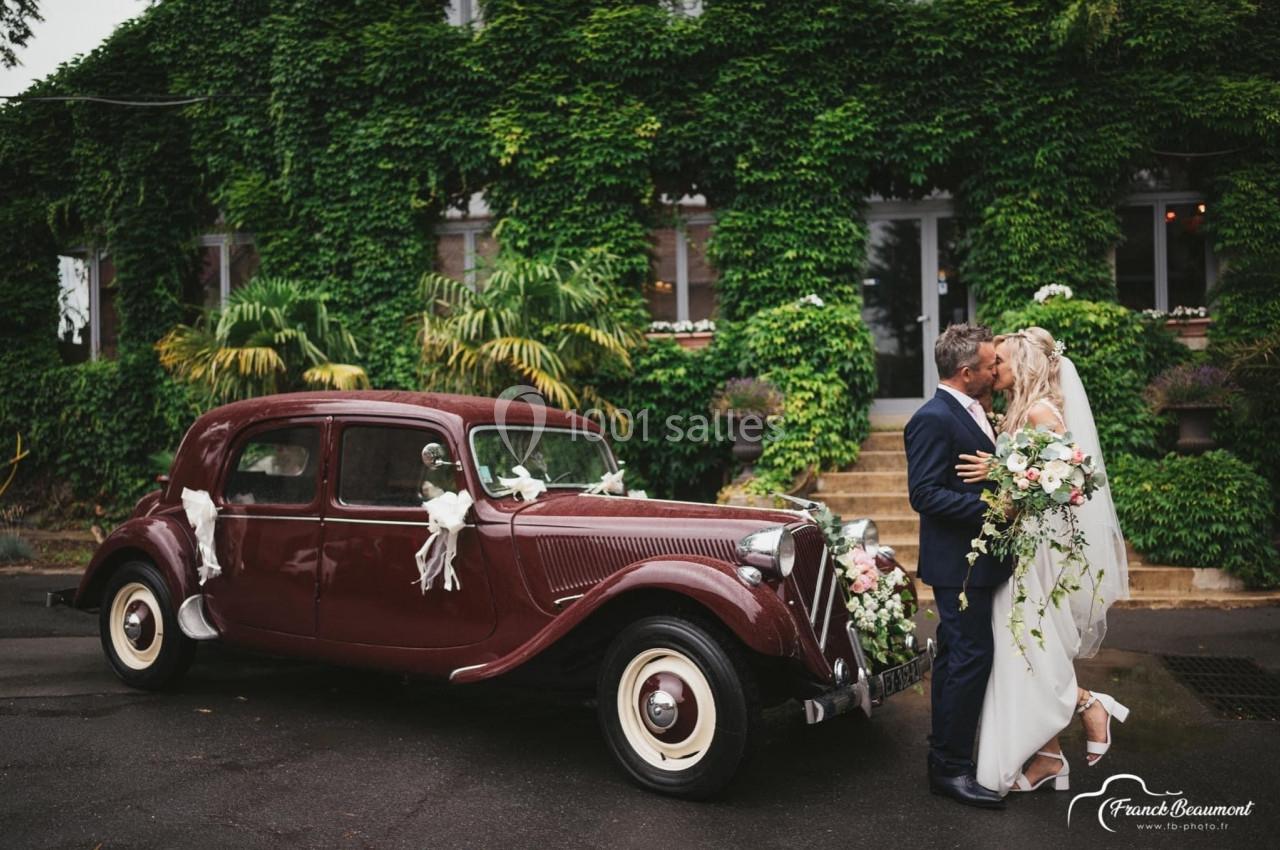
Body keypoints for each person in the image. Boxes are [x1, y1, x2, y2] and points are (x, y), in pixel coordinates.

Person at [956, 327, 1131, 796]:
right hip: (1024, 542)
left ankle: (1089, 702)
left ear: (1026, 365)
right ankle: (1050, 756)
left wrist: (997, 469)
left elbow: (1055, 481)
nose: (995, 370)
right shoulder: (1021, 410)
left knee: (1028, 643)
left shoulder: (1040, 412)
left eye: (1003, 362)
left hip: (1040, 549)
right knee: (1025, 646)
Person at [904, 323, 1011, 809]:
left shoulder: (977, 410)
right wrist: (995, 510)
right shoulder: (932, 418)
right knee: (969, 661)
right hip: (958, 566)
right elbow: (924, 494)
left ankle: (944, 760)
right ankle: (951, 769)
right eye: (991, 364)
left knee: (957, 661)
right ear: (967, 373)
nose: (997, 370)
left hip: (979, 562)